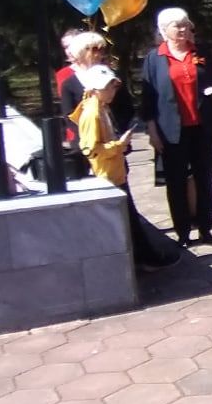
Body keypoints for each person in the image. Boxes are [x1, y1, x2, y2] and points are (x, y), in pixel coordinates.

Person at [70, 64, 178, 272]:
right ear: (94, 89)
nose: (112, 91)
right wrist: (119, 145)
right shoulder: (92, 112)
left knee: (130, 219)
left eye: (113, 87)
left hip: (115, 171)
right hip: (107, 174)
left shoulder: (101, 107)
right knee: (127, 221)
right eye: (107, 87)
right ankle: (144, 260)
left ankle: (143, 258)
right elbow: (90, 149)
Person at [140, 7, 212, 248]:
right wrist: (152, 130)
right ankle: (183, 232)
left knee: (204, 178)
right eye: (177, 26)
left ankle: (206, 228)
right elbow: (148, 99)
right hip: (171, 130)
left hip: (202, 126)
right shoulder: (155, 58)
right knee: (176, 182)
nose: (184, 29)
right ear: (164, 31)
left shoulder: (201, 52)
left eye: (186, 24)